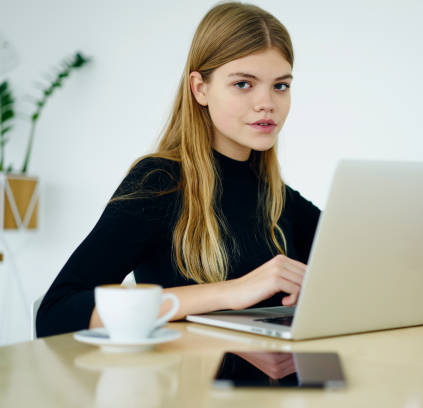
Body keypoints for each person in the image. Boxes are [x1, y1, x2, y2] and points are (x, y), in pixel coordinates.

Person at [36, 1, 320, 337]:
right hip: (187, 384)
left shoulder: (276, 195)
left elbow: (361, 267)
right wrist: (231, 291)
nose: (267, 103)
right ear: (200, 88)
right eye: (243, 84)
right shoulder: (159, 183)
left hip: (273, 380)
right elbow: (55, 313)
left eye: (280, 85)